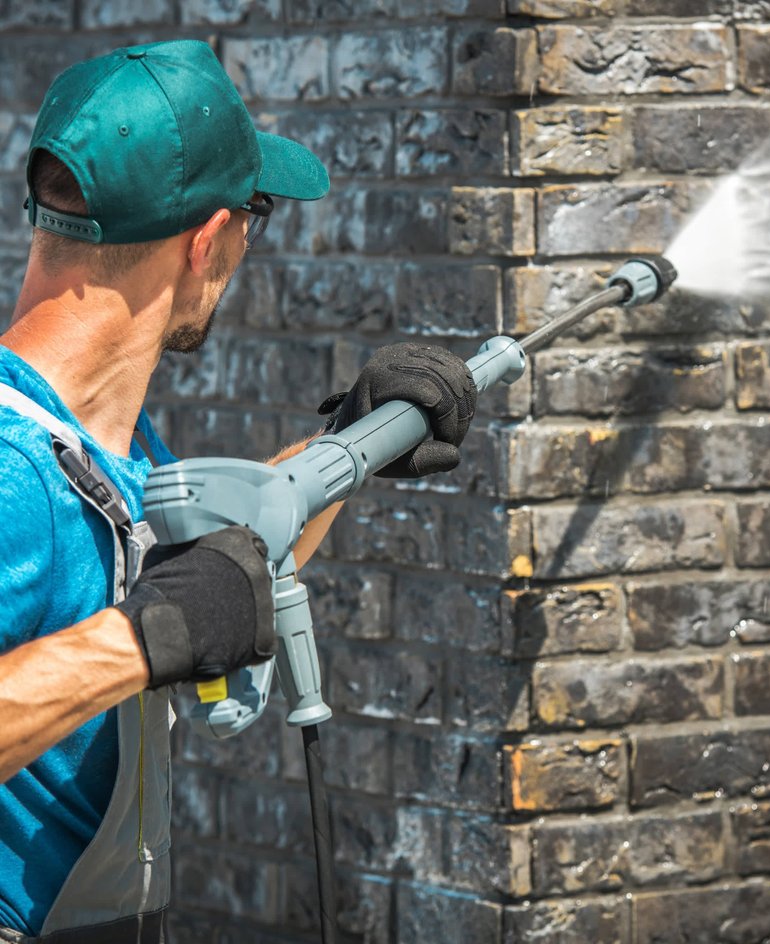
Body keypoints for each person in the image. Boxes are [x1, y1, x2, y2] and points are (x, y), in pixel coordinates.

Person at [0, 39, 476, 943]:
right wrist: (142, 640)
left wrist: (353, 444)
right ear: (209, 237)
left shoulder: (103, 446)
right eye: (254, 214)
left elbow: (210, 575)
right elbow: (172, 615)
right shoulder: (12, 472)